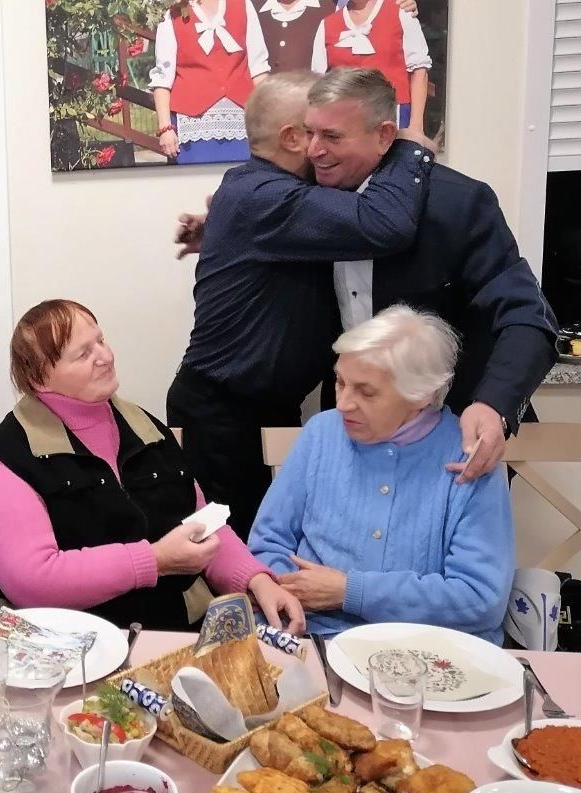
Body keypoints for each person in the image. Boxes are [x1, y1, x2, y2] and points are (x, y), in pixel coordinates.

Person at [177, 67, 558, 486]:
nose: (314, 151)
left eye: (332, 136)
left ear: (384, 135)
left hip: (454, 433)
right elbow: (257, 215)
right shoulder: (310, 198)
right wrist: (219, 227)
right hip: (348, 433)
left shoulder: (457, 202)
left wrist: (494, 405)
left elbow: (526, 316)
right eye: (309, 133)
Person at [166, 70, 434, 541]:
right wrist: (410, 149)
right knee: (237, 552)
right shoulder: (264, 196)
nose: (320, 144)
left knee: (274, 541)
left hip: (258, 407)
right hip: (224, 414)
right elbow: (385, 224)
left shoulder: (257, 191)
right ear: (293, 138)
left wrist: (216, 228)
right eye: (315, 130)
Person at [0, 300, 304, 633]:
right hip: (58, 646)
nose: (105, 357)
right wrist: (154, 560)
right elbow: (32, 581)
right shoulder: (7, 458)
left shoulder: (147, 429)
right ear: (40, 378)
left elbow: (202, 523)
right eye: (83, 354)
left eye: (101, 341)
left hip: (169, 633)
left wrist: (254, 579)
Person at [250, 307, 515, 642]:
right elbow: (267, 544)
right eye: (340, 382)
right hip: (315, 637)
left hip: (427, 649)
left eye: (366, 392)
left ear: (420, 396)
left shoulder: (468, 456)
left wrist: (350, 591)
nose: (343, 404)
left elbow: (480, 599)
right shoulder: (321, 433)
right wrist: (286, 597)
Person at [149, 0, 270, 164]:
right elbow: (163, 78)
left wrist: (268, 120)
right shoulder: (173, 11)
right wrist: (165, 128)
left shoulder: (243, 4)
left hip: (242, 123)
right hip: (193, 130)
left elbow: (259, 70)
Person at [311, 0, 430, 130]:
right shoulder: (327, 24)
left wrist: (416, 126)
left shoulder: (400, 11)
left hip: (392, 115)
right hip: (343, 120)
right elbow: (317, 81)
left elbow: (419, 71)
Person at [250, 0, 416, 74]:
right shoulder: (252, 5)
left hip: (310, 113)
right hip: (266, 111)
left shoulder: (334, 4)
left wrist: (405, 5)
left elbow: (368, 8)